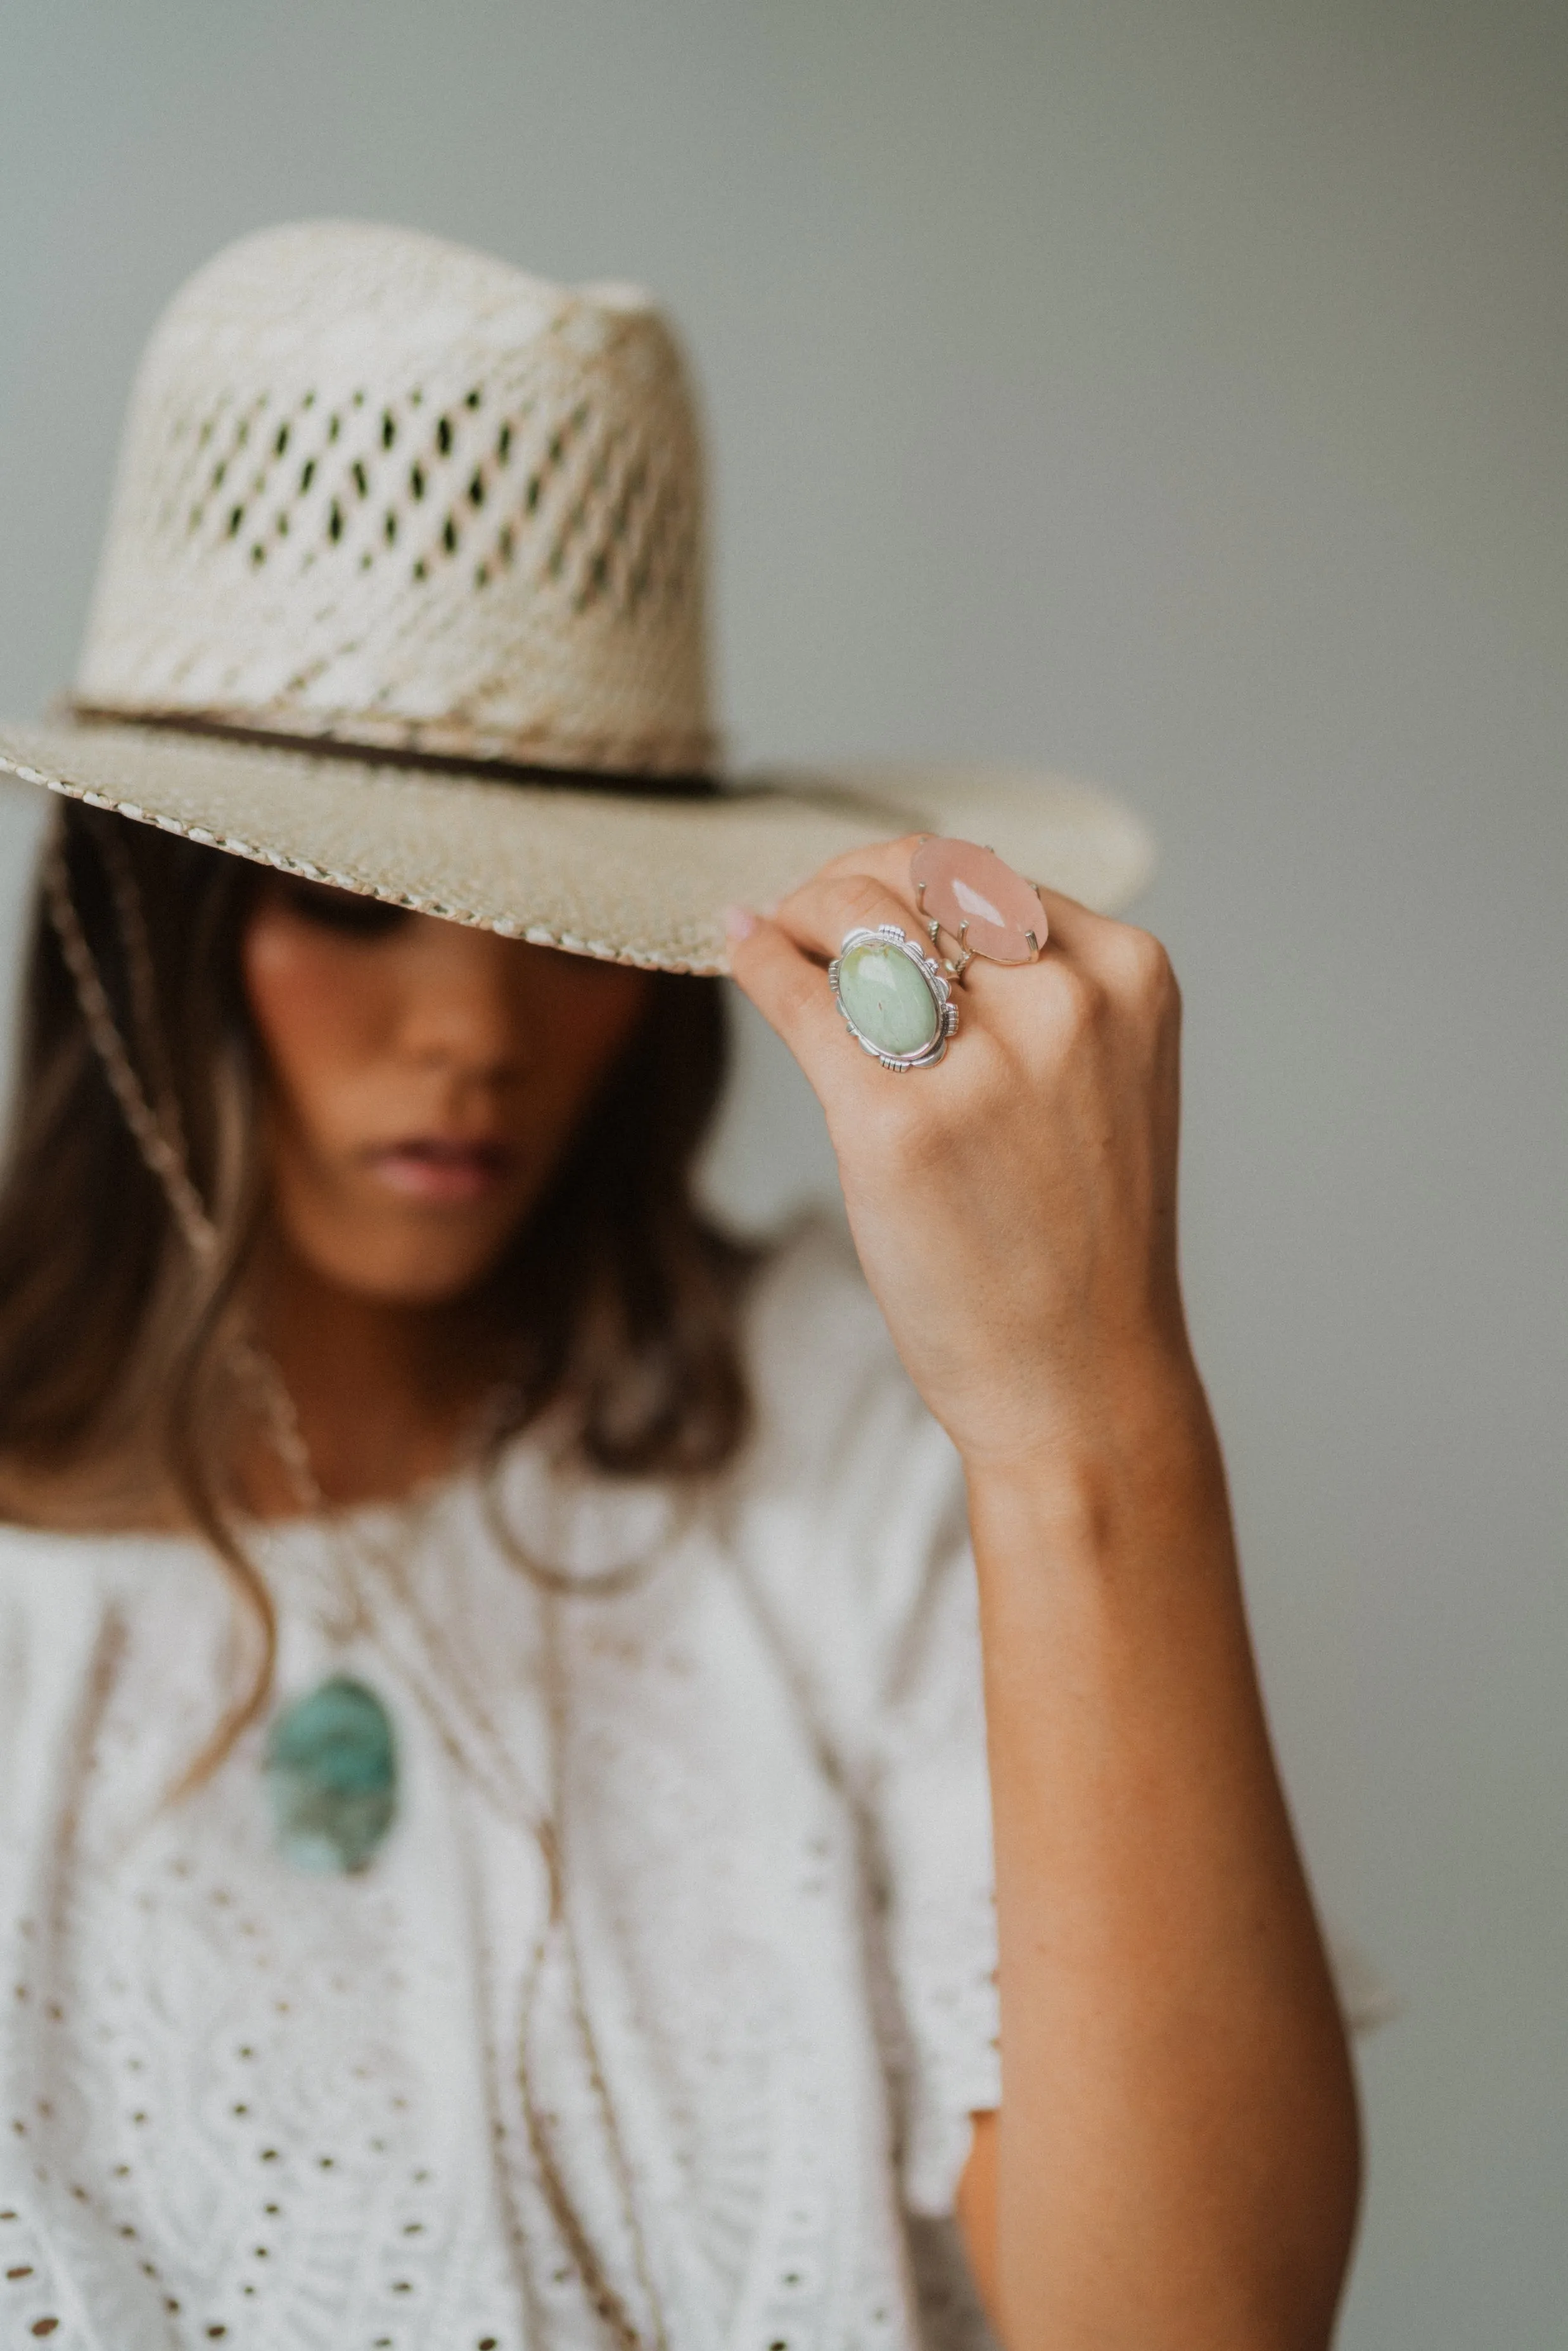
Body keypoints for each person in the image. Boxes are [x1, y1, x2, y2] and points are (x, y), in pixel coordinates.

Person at [0, 222, 1360, 2350]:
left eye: (560, 919)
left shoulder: (839, 1437)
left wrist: (1083, 1415)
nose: (476, 1030)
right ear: (140, 921)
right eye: (348, 901)